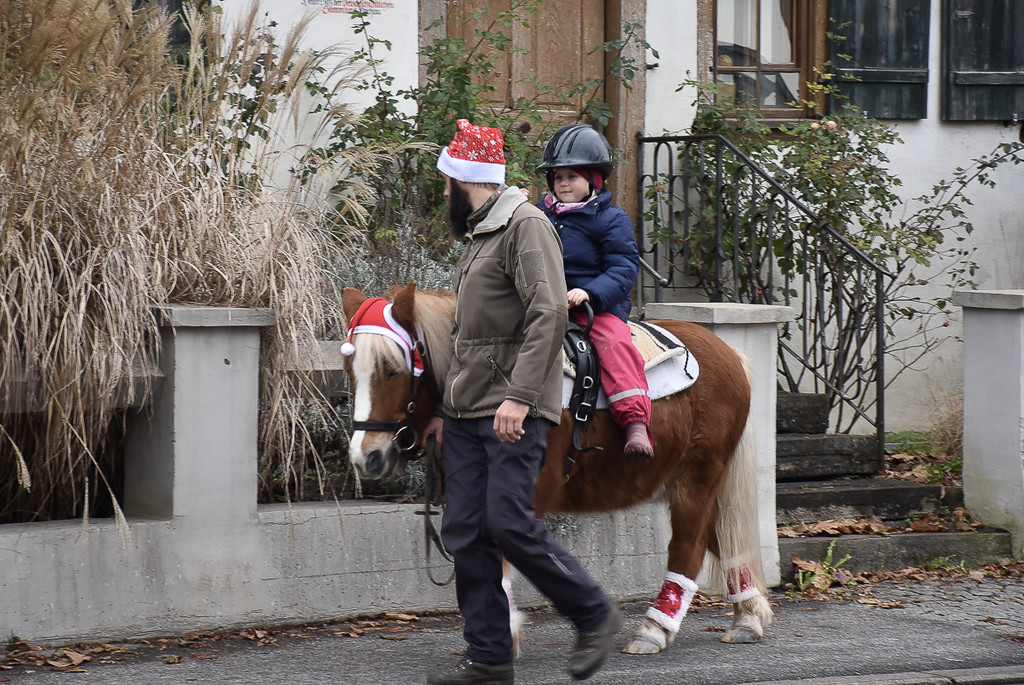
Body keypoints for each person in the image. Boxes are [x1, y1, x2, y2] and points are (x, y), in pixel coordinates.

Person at [422, 119, 620, 685]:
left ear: (467, 181)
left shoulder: (525, 226)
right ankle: (488, 658)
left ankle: (593, 612)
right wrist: (443, 406)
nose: (444, 195)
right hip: (465, 411)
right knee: (466, 531)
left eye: (446, 184)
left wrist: (520, 397)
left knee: (509, 521)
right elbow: (469, 333)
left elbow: (549, 314)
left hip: (510, 409)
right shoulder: (483, 233)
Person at [535, 123, 654, 459]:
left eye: (571, 177)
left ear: (594, 180)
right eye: (557, 177)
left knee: (614, 344)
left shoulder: (610, 219)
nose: (563, 183)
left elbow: (623, 267)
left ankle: (634, 422)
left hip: (595, 308)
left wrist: (588, 292)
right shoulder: (540, 217)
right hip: (547, 302)